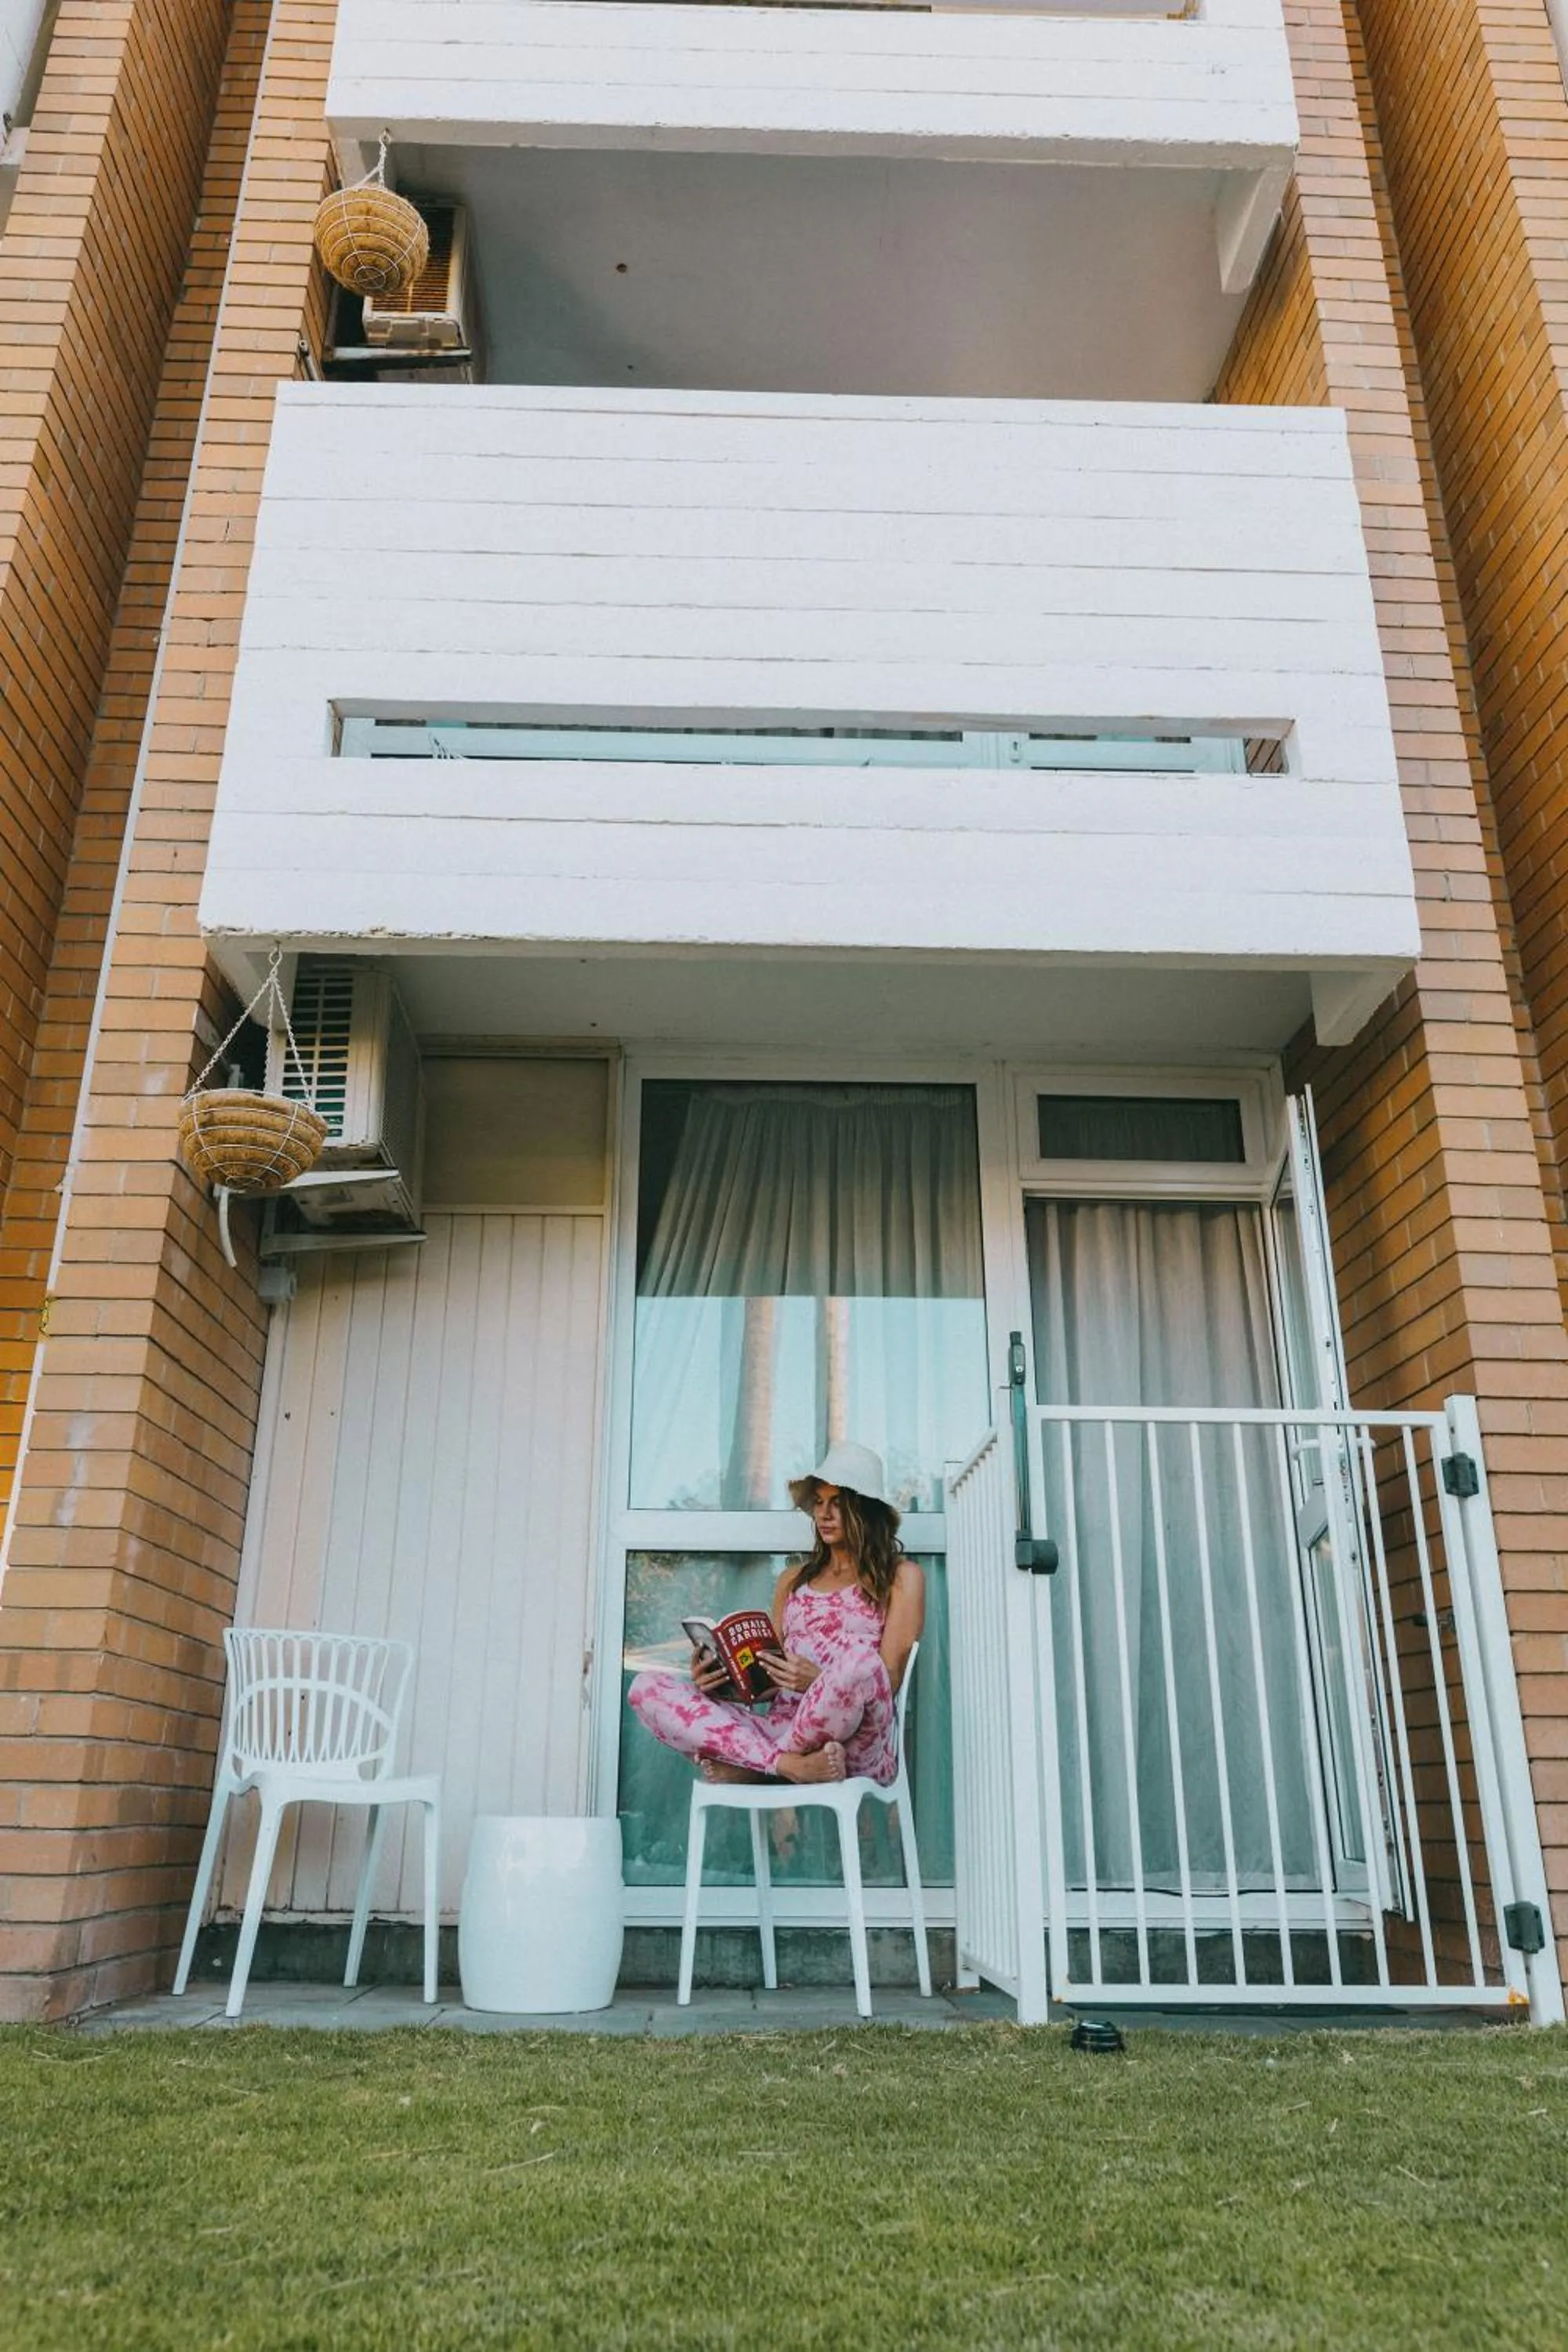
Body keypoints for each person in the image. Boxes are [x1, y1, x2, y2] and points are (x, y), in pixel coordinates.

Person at [627, 1441, 925, 1788]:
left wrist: (820, 1681)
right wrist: (722, 1684)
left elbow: (887, 1679)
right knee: (648, 1687)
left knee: (860, 1662)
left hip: (856, 1741)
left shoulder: (902, 1576)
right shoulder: (793, 1581)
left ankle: (758, 1766)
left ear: (866, 1512)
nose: (823, 1515)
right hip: (782, 1730)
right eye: (818, 1503)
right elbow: (771, 1682)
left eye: (838, 1504)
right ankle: (785, 1765)